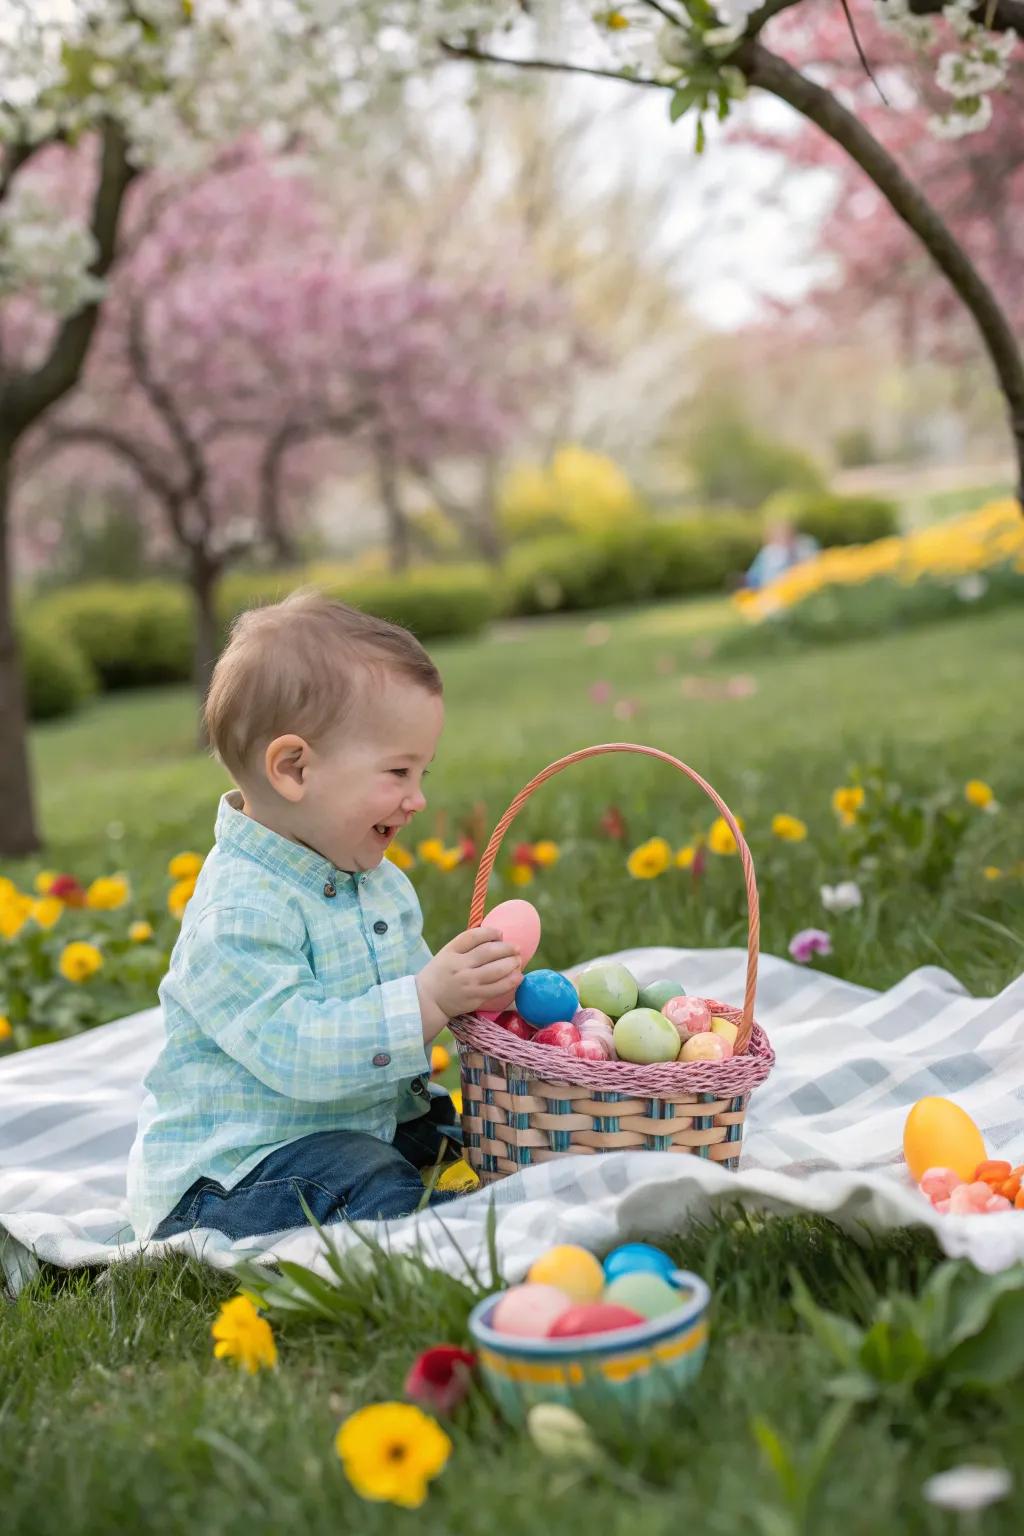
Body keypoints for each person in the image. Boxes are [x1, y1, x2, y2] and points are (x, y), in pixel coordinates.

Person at [127, 591, 523, 1242]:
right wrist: (427, 998)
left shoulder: (376, 880)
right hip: (234, 1172)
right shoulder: (238, 911)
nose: (418, 798)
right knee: (369, 1181)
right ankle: (440, 1240)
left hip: (353, 1122)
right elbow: (298, 1051)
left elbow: (413, 987)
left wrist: (469, 996)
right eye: (398, 771)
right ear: (293, 768)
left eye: (423, 771)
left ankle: (468, 1191)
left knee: (466, 1136)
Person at [744, 518, 819, 591]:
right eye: (780, 537)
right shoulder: (769, 554)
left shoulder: (806, 545)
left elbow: (815, 564)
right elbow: (756, 578)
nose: (785, 541)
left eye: (787, 535)